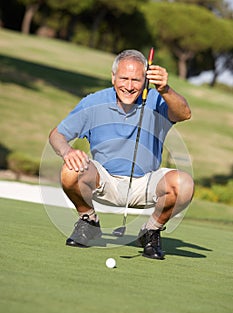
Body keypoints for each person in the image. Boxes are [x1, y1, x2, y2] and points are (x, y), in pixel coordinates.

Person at [49, 49, 194, 259]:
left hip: (146, 183)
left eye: (136, 80)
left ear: (146, 80)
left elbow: (184, 113)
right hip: (104, 180)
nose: (129, 85)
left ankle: (150, 231)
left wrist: (165, 89)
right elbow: (56, 135)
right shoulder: (93, 102)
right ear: (113, 77)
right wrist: (67, 151)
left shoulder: (156, 99)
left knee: (185, 185)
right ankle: (89, 221)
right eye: (123, 78)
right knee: (70, 169)